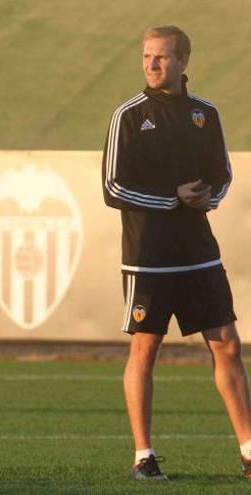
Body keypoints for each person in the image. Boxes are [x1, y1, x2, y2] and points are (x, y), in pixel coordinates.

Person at [103, 25, 251, 480]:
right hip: (148, 256)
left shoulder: (204, 114)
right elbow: (112, 187)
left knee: (227, 344)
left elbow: (222, 174)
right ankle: (143, 456)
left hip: (198, 253)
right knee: (145, 351)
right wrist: (172, 198)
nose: (151, 64)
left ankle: (249, 449)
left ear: (184, 61)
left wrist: (208, 197)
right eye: (147, 56)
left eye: (161, 57)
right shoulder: (128, 115)